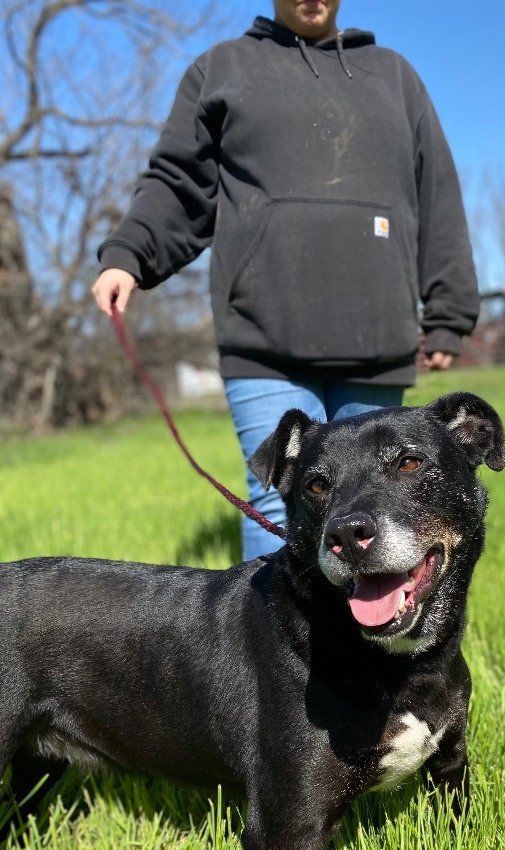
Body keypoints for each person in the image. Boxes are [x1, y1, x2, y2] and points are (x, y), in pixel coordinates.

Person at [93, 0, 479, 559]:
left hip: (372, 334)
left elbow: (437, 193)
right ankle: (269, 647)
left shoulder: (394, 76)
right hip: (262, 335)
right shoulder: (222, 69)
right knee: (278, 500)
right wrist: (128, 254)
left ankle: (366, 641)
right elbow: (178, 183)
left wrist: (448, 313)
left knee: (373, 504)